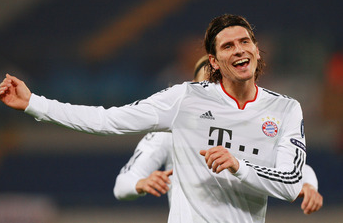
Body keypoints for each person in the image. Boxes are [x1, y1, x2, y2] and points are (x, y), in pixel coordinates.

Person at [0, 14, 312, 222]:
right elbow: (108, 120)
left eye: (245, 42)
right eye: (227, 46)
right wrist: (34, 104)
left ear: (257, 50)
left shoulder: (286, 109)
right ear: (214, 62)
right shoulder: (185, 98)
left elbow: (289, 184)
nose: (239, 50)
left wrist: (237, 164)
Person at [113, 55, 323, 215]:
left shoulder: (248, 128)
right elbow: (122, 184)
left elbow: (298, 169)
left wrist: (308, 186)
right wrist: (139, 184)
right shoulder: (169, 132)